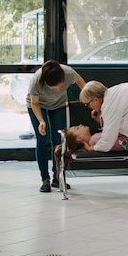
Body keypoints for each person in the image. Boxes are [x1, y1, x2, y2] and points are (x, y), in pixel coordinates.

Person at [27, 60, 86, 193]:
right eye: (54, 89)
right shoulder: (36, 81)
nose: (58, 90)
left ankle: (58, 177)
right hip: (38, 105)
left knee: (59, 140)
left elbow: (81, 82)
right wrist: (41, 121)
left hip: (58, 104)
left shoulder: (68, 72)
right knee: (43, 140)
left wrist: (87, 96)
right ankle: (45, 179)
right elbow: (34, 103)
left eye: (60, 87)